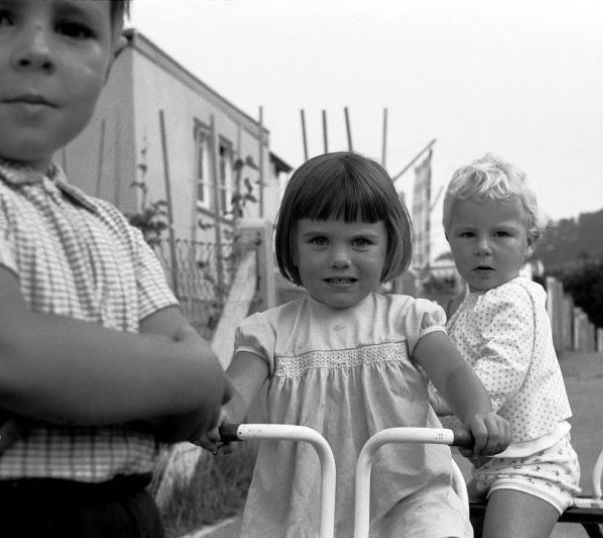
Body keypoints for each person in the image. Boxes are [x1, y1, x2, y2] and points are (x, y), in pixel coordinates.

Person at [0, 1, 229, 536]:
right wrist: (188, 380)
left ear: (111, 58)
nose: (35, 50)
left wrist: (189, 382)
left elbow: (196, 385)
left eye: (73, 28)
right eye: (2, 17)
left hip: (129, 512)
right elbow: (12, 353)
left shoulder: (114, 231)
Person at [201, 151, 512, 538]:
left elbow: (451, 371)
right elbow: (236, 389)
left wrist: (478, 414)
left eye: (361, 241)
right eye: (319, 240)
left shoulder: (409, 319)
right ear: (292, 246)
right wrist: (219, 416)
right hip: (303, 505)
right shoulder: (269, 331)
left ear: (388, 245)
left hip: (408, 496)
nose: (340, 258)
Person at [437, 154, 581, 538]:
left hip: (534, 464)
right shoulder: (466, 307)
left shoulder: (516, 298)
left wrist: (432, 403)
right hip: (493, 464)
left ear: (528, 242)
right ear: (449, 239)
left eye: (501, 234)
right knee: (437, 519)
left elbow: (500, 372)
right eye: (468, 234)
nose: (483, 247)